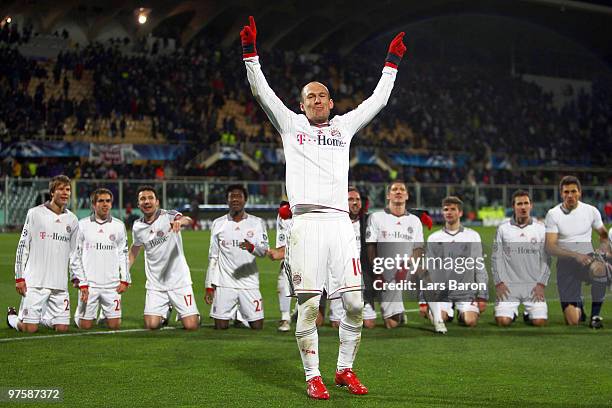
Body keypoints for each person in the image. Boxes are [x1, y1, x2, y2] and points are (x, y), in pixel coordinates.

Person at [242, 15, 405, 399]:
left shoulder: (343, 128)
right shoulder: (289, 125)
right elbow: (261, 92)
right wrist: (250, 55)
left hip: (339, 225)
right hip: (305, 225)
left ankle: (345, 369)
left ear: (331, 103)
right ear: (301, 104)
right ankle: (312, 375)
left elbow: (378, 101)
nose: (317, 100)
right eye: (310, 96)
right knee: (309, 304)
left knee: (353, 302)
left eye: (322, 96)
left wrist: (391, 64)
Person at [7, 175, 79, 333]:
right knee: (29, 329)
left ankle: (40, 316)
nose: (65, 193)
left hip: (59, 284)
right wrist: (19, 277)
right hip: (35, 282)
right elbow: (22, 247)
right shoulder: (35, 213)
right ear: (52, 192)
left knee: (62, 328)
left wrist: (75, 275)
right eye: (61, 189)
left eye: (68, 189)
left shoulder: (73, 220)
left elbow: (74, 252)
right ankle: (12, 318)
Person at [129, 185, 199, 330]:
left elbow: (187, 219)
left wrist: (180, 222)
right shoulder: (137, 226)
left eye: (150, 198)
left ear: (157, 202)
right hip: (156, 284)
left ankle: (194, 315)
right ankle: (166, 310)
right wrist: (125, 272)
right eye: (143, 199)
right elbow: (134, 250)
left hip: (179, 281)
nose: (146, 202)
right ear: (138, 204)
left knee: (191, 325)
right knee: (151, 325)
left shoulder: (169, 215)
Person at [544, 176, 609, 328]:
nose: (570, 195)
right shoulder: (553, 214)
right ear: (561, 194)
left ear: (580, 193)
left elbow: (604, 235)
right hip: (566, 264)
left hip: (588, 260)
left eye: (573, 191)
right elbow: (550, 246)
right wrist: (575, 255)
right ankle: (578, 303)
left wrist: (602, 249)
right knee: (573, 321)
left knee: (600, 268)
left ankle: (595, 316)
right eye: (566, 192)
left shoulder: (591, 211)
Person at [204, 185, 269, 330]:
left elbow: (264, 251)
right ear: (227, 200)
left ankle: (240, 314)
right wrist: (209, 286)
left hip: (249, 283)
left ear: (245, 200)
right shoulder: (218, 223)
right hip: (224, 283)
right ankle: (236, 313)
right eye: (231, 196)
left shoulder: (257, 223)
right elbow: (213, 257)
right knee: (220, 326)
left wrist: (252, 247)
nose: (235, 199)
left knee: (257, 327)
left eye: (239, 196)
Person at [424, 196, 488, 333]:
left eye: (453, 209)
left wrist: (482, 295)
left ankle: (460, 313)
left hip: (465, 292)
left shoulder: (472, 236)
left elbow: (479, 266)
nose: (449, 212)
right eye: (446, 209)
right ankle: (446, 309)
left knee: (470, 321)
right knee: (437, 318)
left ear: (460, 213)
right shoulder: (434, 238)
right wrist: (423, 299)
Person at [366, 181, 424, 329]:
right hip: (385, 271)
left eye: (402, 189)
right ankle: (397, 312)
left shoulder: (415, 221)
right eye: (394, 189)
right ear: (388, 195)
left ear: (407, 195)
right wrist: (378, 271)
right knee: (391, 324)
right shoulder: (376, 217)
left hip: (408, 268)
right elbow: (371, 246)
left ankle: (438, 317)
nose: (398, 192)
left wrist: (409, 266)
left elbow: (418, 249)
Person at [70, 188, 130, 330]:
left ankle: (105, 314)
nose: (105, 204)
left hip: (112, 285)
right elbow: (74, 254)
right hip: (90, 285)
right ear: (93, 204)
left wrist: (125, 279)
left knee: (115, 326)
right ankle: (80, 314)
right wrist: (75, 277)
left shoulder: (119, 226)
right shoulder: (82, 225)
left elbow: (124, 254)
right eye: (101, 201)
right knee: (84, 326)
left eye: (108, 201)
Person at [492, 190, 549, 327]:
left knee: (539, 322)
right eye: (519, 204)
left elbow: (547, 260)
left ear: (531, 206)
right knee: (502, 321)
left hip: (533, 285)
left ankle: (528, 314)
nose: (523, 207)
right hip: (509, 285)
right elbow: (496, 258)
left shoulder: (541, 229)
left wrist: (541, 284)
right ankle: (512, 312)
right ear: (513, 206)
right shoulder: (503, 229)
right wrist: (499, 283)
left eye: (526, 203)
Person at [268, 200, 295, 332]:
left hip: (315, 254)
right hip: (291, 255)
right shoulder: (284, 212)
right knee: (284, 274)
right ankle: (285, 317)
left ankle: (300, 309)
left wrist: (281, 253)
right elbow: (282, 242)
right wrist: (279, 252)